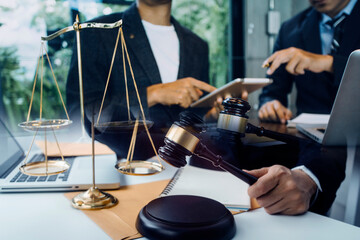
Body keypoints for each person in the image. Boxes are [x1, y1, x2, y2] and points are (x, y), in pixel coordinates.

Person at [66, 0, 223, 158]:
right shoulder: (96, 32)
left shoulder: (197, 46)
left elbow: (194, 119)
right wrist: (152, 94)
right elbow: (79, 114)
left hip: (187, 164)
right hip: (121, 164)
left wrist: (211, 115)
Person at [258, 0, 360, 124]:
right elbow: (272, 92)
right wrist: (270, 104)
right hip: (306, 139)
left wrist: (328, 63)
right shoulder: (289, 29)